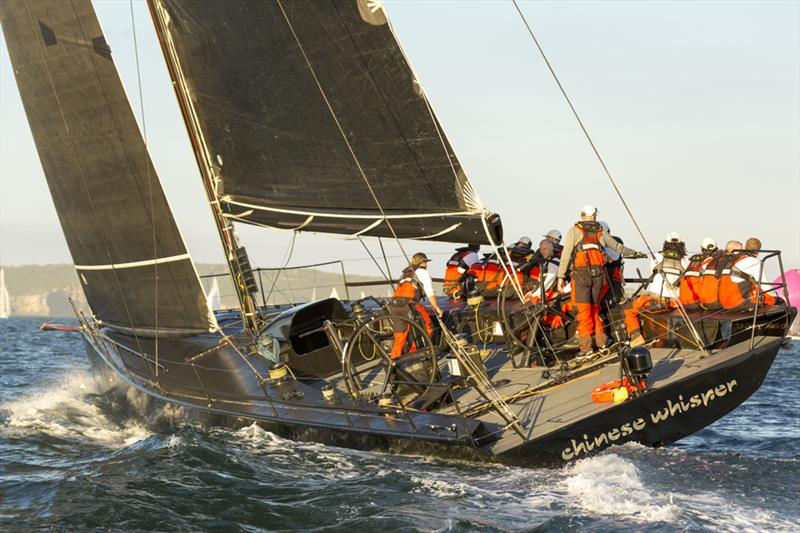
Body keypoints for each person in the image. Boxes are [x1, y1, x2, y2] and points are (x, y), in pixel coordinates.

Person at [557, 205, 644, 355]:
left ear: (582, 215)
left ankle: (586, 349)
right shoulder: (600, 232)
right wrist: (635, 253)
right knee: (594, 308)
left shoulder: (574, 231)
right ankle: (602, 342)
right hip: (598, 277)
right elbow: (617, 247)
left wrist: (560, 277)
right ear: (594, 216)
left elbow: (566, 255)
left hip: (581, 277)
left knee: (584, 312)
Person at [623, 233, 688, 346]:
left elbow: (652, 269)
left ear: (666, 244)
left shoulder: (658, 257)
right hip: (675, 302)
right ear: (681, 245)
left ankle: (636, 336)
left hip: (656, 300)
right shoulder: (685, 260)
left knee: (627, 309)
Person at [390, 253, 442, 359]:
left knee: (400, 335)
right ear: (423, 262)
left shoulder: (404, 274)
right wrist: (436, 307)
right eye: (426, 262)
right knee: (429, 327)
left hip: (394, 306)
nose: (427, 264)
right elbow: (429, 292)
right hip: (409, 305)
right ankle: (416, 352)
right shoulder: (422, 272)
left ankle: (394, 360)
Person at [718, 237, 778, 310]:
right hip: (738, 302)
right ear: (758, 251)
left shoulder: (728, 262)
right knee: (776, 300)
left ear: (745, 247)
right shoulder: (753, 261)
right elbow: (764, 286)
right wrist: (774, 296)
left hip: (724, 302)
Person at [679, 237, 718, 309]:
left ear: (701, 248)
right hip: (697, 303)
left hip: (683, 303)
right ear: (716, 249)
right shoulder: (712, 263)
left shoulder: (692, 262)